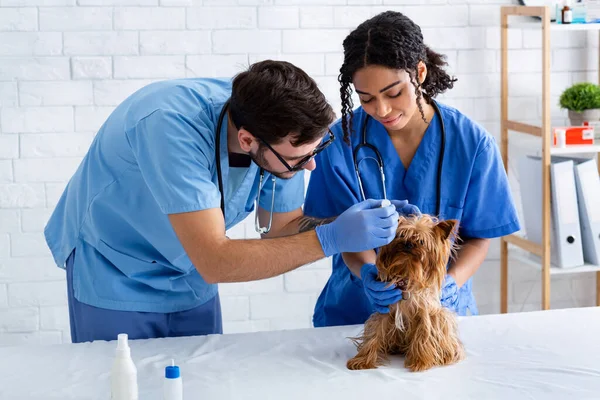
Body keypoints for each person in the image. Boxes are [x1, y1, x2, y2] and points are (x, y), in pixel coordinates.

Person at [44, 60, 410, 343]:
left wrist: (350, 227)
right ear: (249, 140)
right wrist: (329, 240)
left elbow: (281, 228)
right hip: (115, 267)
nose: (310, 165)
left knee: (199, 379)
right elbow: (216, 260)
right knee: (122, 385)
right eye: (299, 159)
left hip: (189, 272)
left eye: (315, 151)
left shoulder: (281, 131)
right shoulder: (170, 125)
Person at [304, 11, 521, 328]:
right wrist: (368, 272)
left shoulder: (472, 144)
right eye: (366, 99)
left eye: (393, 93)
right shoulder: (339, 144)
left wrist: (452, 282)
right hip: (356, 316)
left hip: (436, 317)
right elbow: (340, 234)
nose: (382, 110)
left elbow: (477, 237)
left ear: (419, 73)